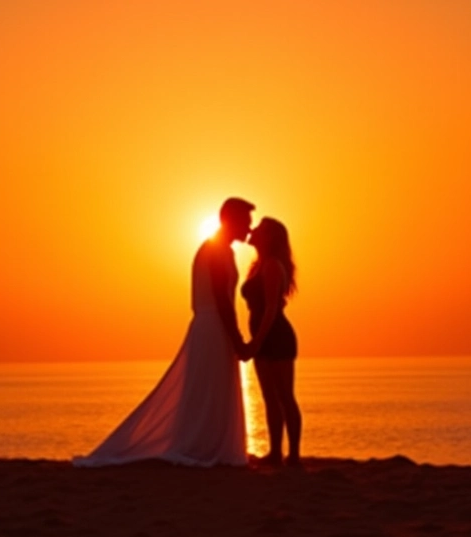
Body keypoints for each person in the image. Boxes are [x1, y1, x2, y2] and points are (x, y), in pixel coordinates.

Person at [73, 198, 254, 467]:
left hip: (213, 326)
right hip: (213, 327)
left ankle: (208, 442)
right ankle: (200, 445)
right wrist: (237, 338)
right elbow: (221, 299)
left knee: (211, 388)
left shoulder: (220, 250)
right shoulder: (215, 250)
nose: (249, 228)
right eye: (246, 221)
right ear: (231, 219)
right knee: (207, 387)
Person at [241, 217, 301, 466]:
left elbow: (272, 309)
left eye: (260, 229)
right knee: (269, 397)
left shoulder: (273, 266)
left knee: (285, 395)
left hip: (276, 336)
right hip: (263, 336)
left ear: (269, 237)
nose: (252, 230)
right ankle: (275, 451)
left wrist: (257, 341)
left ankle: (294, 455)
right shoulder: (258, 265)